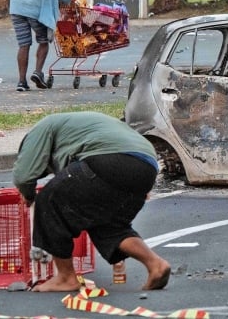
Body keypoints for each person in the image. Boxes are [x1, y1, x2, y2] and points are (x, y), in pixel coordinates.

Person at [13, 112, 171, 292]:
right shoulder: (75, 127)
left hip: (111, 159)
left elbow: (24, 176)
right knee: (109, 226)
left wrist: (29, 195)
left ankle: (65, 278)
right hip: (146, 167)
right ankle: (156, 265)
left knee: (49, 200)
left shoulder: (40, 131)